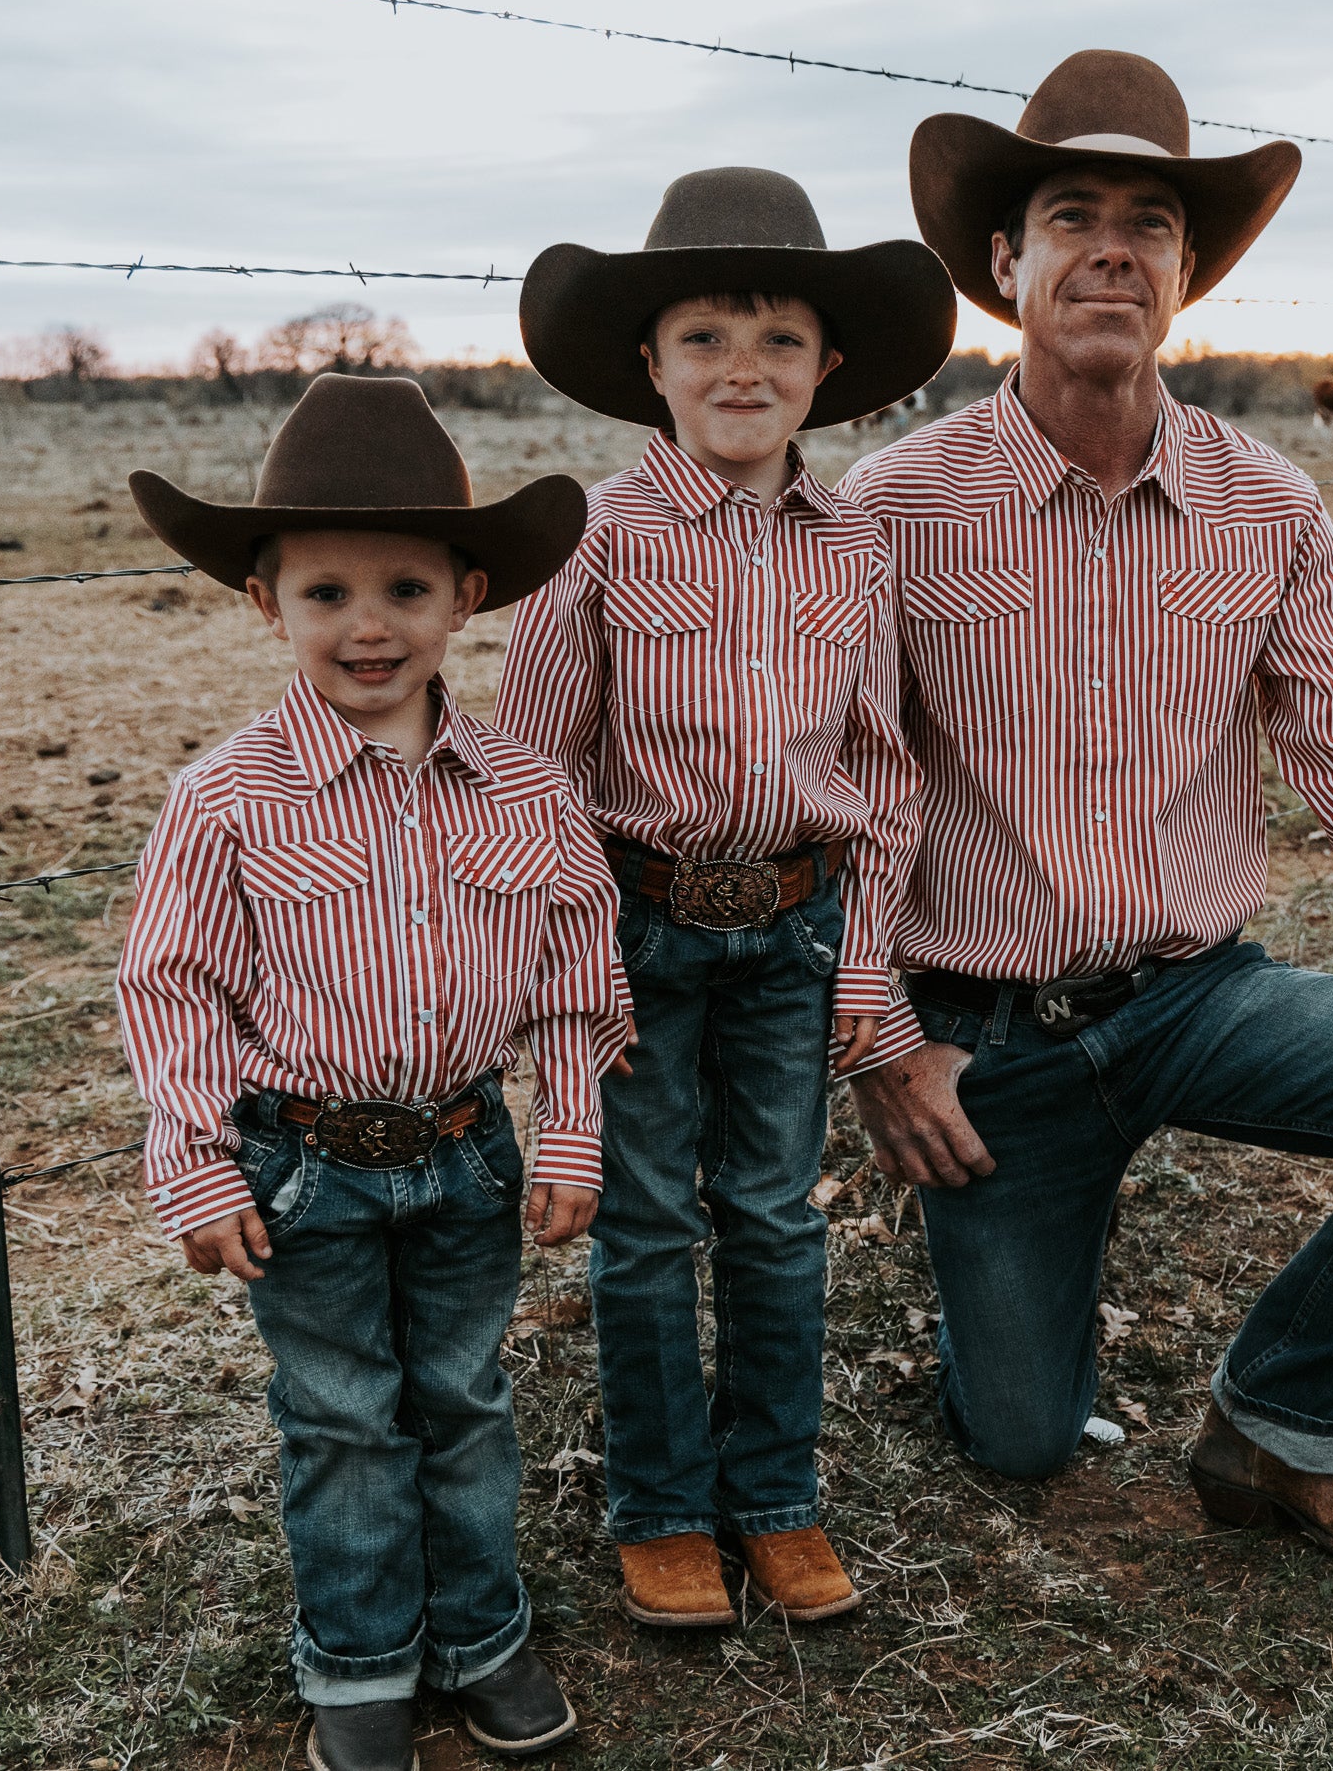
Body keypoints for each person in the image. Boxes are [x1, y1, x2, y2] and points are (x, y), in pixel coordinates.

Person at [839, 50, 1333, 1575]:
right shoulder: (890, 507)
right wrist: (881, 1043)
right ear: (1005, 262)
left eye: (1151, 223)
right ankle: (1012, 1286)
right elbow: (836, 791)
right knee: (1024, 1442)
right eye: (1070, 213)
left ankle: (1284, 1423)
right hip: (989, 1039)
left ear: (1185, 271)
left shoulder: (1269, 504)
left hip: (1199, 993)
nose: (1113, 246)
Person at [118, 374, 631, 1770]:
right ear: (263, 601)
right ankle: (359, 1654)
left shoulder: (529, 789)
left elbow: (581, 981)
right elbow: (173, 985)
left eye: (404, 587)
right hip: (303, 1162)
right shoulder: (225, 795)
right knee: (342, 1413)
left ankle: (480, 1630)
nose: (367, 626)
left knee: (464, 1393)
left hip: (469, 1147)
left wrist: (574, 1131)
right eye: (326, 592)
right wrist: (195, 1158)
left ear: (467, 595)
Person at [499, 168, 950, 1625]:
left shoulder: (856, 545)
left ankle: (775, 1495)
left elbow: (884, 771)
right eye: (703, 337)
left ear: (828, 368)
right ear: (649, 365)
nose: (740, 368)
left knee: (771, 1210)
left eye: (776, 339)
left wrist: (867, 966)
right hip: (641, 921)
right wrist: (579, 975)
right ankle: (661, 1503)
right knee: (642, 1224)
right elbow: (539, 776)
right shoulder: (598, 543)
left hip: (798, 929)